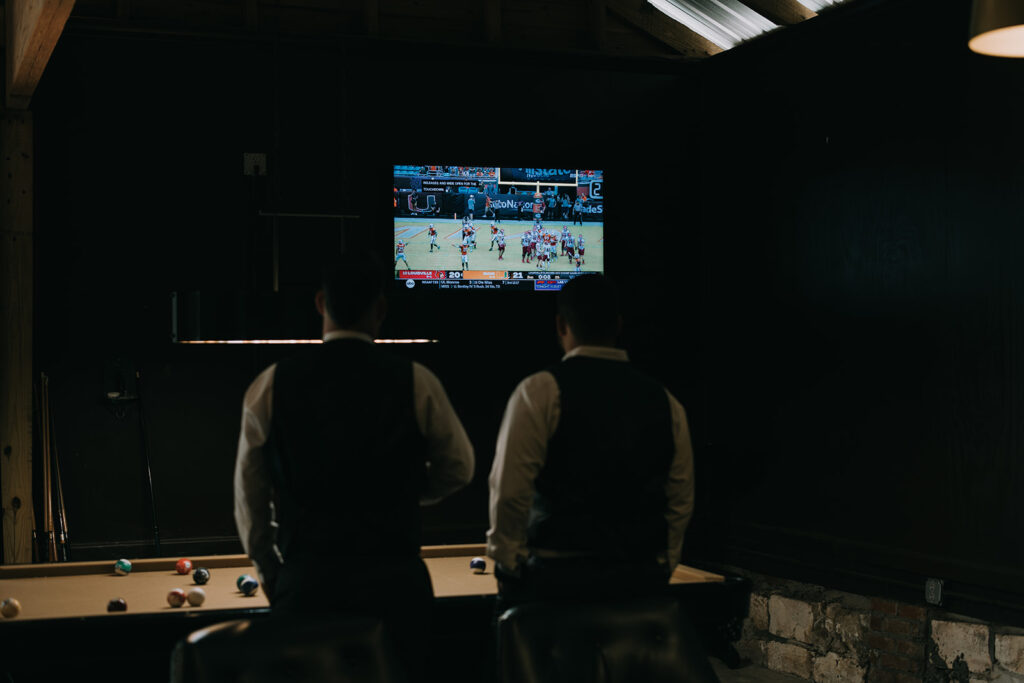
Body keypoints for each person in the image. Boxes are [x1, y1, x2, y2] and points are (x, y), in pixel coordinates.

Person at [234, 252, 475, 677]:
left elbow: (249, 499)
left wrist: (271, 572)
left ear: (320, 304)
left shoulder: (269, 384)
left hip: (307, 585)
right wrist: (409, 492)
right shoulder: (418, 380)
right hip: (397, 588)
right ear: (381, 308)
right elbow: (460, 468)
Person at [486, 274, 694, 607]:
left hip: (555, 581)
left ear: (560, 324)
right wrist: (663, 564)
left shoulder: (538, 391)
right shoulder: (666, 402)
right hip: (637, 579)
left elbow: (508, 490)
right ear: (618, 325)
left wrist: (507, 566)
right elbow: (680, 497)